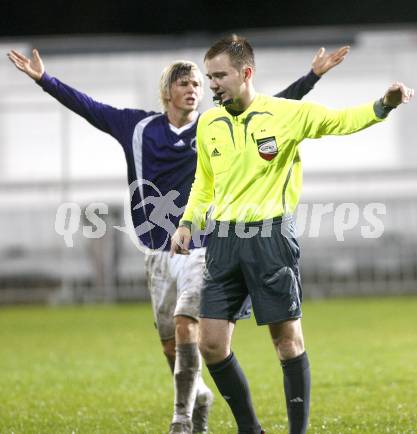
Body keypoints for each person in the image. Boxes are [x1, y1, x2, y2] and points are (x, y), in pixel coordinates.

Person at [8, 43, 350, 434]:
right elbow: (89, 108)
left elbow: (279, 107)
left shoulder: (214, 124)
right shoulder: (136, 128)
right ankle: (198, 394)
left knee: (190, 326)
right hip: (156, 253)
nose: (194, 90)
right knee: (171, 345)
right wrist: (44, 80)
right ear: (167, 91)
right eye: (185, 83)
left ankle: (181, 420)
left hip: (203, 248)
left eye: (197, 84)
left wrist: (313, 77)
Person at [171, 35, 414, 434]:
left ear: (245, 73)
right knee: (211, 345)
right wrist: (186, 222)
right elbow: (204, 181)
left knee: (286, 342)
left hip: (271, 240)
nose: (211, 84)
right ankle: (251, 429)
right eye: (208, 76)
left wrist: (383, 105)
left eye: (219, 76)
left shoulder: (285, 114)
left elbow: (340, 121)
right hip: (223, 243)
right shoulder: (209, 123)